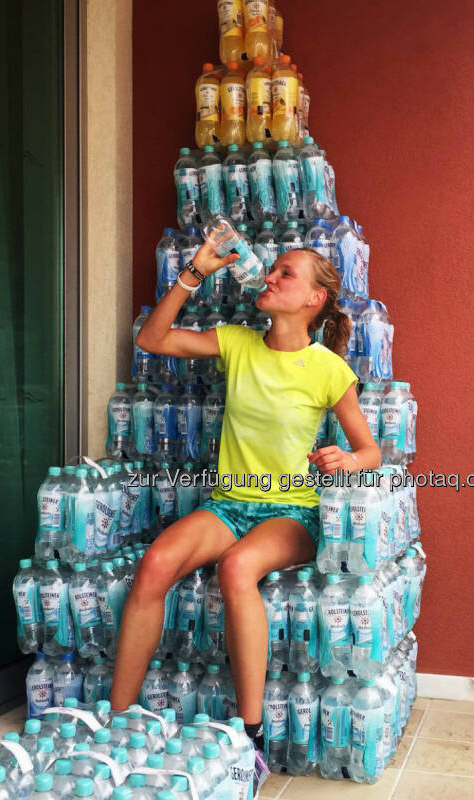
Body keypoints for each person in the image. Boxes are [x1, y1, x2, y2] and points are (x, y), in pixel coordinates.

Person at [110, 239, 380, 781]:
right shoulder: (236, 342)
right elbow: (151, 338)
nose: (272, 278)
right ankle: (117, 723)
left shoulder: (329, 369)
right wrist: (193, 273)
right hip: (230, 504)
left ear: (314, 299)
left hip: (292, 513)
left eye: (287, 274)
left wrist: (345, 458)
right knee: (155, 565)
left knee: (237, 569)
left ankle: (249, 737)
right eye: (274, 270)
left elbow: (371, 452)